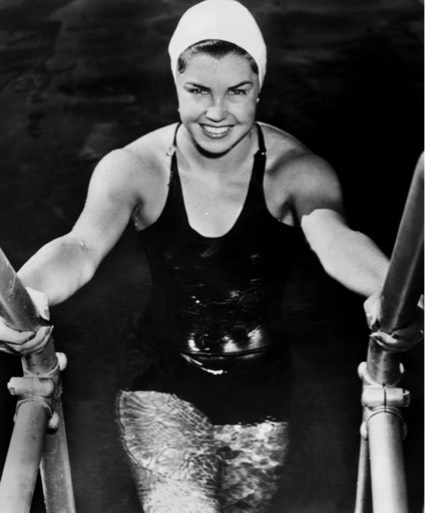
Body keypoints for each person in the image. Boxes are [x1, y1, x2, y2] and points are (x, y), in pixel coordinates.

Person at [0, 1, 418, 512]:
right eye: (198, 91)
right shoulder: (136, 168)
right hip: (161, 385)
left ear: (259, 88)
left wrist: (394, 292)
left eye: (237, 92)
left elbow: (336, 240)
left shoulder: (294, 171)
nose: (217, 112)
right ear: (175, 85)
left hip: (264, 397)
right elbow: (81, 246)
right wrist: (23, 295)